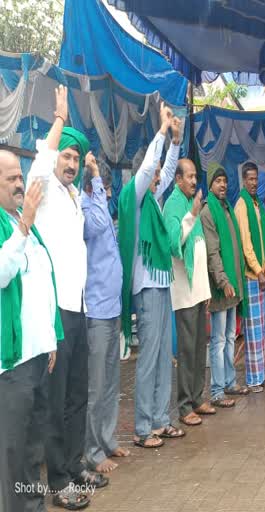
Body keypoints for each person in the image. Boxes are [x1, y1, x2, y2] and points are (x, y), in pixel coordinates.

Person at [28, 86, 109, 505]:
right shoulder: (41, 191)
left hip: (79, 308)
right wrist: (59, 120)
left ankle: (75, 464)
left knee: (79, 393)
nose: (72, 164)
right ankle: (58, 480)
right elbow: (40, 165)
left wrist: (94, 179)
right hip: (54, 312)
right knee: (56, 398)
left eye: (77, 159)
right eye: (67, 157)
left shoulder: (74, 197)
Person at [118, 103, 185, 449]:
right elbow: (149, 169)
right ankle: (143, 427)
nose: (159, 177)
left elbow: (168, 171)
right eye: (154, 173)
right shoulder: (135, 197)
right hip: (145, 289)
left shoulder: (154, 202)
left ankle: (161, 419)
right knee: (148, 358)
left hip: (161, 285)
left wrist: (176, 141)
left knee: (162, 356)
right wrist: (161, 131)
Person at [0, 150, 63, 511]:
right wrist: (23, 225)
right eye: (11, 179)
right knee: (15, 457)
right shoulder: (16, 225)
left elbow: (42, 285)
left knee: (33, 451)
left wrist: (51, 339)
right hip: (13, 364)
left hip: (38, 356)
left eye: (19, 177)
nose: (20, 184)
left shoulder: (24, 224)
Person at [81, 151, 128, 475]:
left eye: (107, 189)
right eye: (103, 188)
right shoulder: (86, 208)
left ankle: (108, 440)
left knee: (111, 382)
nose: (108, 195)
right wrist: (97, 178)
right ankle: (92, 452)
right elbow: (97, 224)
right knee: (95, 387)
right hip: (95, 311)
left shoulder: (98, 204)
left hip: (112, 309)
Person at [164, 159, 214, 426]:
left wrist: (206, 290)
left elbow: (199, 246)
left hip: (197, 290)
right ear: (178, 180)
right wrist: (192, 214)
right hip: (183, 292)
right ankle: (184, 406)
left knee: (198, 347)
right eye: (190, 176)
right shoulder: (173, 204)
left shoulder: (191, 203)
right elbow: (174, 243)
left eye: (196, 176)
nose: (195, 181)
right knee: (186, 349)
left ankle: (197, 397)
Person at [200, 163, 251, 406]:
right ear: (210, 184)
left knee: (231, 336)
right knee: (219, 340)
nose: (223, 185)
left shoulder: (227, 208)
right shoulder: (208, 212)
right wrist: (224, 280)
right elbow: (213, 253)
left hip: (233, 287)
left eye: (224, 181)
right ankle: (217, 390)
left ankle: (230, 382)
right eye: (218, 181)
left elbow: (234, 246)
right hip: (221, 288)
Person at [235, 162, 265, 392]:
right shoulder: (242, 205)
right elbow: (246, 243)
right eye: (250, 178)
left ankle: (261, 373)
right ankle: (252, 378)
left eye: (256, 178)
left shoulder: (256, 204)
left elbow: (263, 240)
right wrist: (258, 271)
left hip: (261, 274)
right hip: (251, 275)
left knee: (261, 327)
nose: (253, 182)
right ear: (243, 180)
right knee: (253, 329)